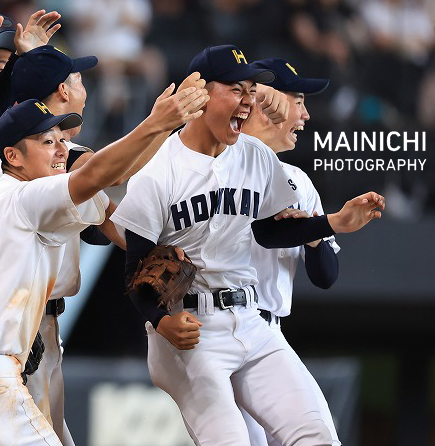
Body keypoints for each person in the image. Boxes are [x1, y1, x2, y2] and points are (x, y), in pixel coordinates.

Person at [0, 81, 207, 445]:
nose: (62, 149)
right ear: (13, 156)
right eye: (47, 142)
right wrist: (155, 124)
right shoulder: (27, 197)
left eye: (61, 138)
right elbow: (96, 175)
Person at [111, 44, 385, 445]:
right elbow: (134, 267)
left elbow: (268, 232)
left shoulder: (255, 154)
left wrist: (333, 223)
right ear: (201, 94)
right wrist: (160, 320)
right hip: (190, 328)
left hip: (251, 320)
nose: (247, 101)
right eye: (236, 90)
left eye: (251, 91)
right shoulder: (157, 169)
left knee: (317, 436)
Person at [238, 58, 341, 446]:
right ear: (268, 103)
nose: (305, 114)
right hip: (216, 324)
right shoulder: (220, 164)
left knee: (319, 437)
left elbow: (326, 275)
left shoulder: (297, 181)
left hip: (268, 331)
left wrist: (312, 234)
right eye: (298, 101)